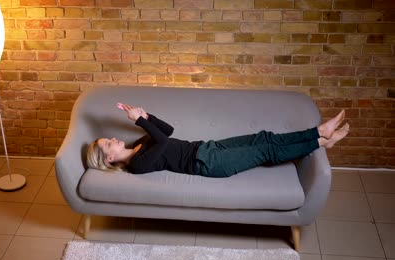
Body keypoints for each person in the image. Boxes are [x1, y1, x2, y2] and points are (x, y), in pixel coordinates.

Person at [86, 103, 349, 178]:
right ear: (109, 158)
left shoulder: (140, 145)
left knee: (263, 137)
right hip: (209, 164)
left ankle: (319, 133)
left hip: (207, 147)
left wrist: (147, 115)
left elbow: (168, 130)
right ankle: (319, 139)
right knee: (266, 149)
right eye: (107, 143)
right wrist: (141, 122)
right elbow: (164, 144)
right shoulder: (138, 164)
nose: (112, 138)